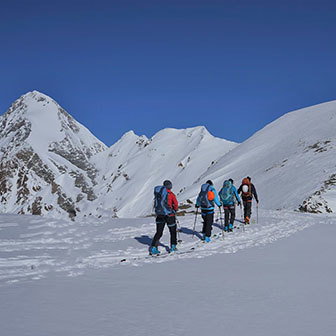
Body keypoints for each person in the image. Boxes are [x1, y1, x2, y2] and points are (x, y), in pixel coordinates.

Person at [150, 180, 178, 255]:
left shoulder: (158, 193)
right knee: (172, 231)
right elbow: (175, 204)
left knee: (159, 232)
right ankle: (173, 247)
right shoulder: (171, 194)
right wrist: (174, 210)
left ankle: (153, 248)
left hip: (159, 215)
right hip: (169, 216)